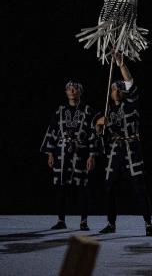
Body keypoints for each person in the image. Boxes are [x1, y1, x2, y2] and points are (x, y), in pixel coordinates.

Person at [95, 53, 152, 236]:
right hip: (115, 150)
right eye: (114, 89)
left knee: (139, 187)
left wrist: (121, 64)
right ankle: (111, 223)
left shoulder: (131, 104)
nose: (117, 91)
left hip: (131, 149)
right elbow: (99, 132)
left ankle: (148, 224)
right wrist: (99, 125)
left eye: (119, 88)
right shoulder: (107, 110)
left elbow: (130, 82)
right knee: (108, 186)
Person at [41, 80, 97, 230]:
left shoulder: (87, 111)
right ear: (66, 92)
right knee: (61, 186)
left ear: (80, 92)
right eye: (69, 89)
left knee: (82, 187)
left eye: (75, 89)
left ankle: (83, 221)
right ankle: (61, 220)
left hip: (80, 150)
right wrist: (50, 153)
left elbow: (92, 134)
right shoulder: (59, 111)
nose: (72, 91)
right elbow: (52, 131)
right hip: (62, 151)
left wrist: (92, 155)